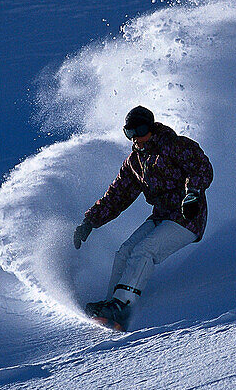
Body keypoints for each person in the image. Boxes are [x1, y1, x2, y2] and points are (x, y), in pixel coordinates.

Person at [73, 105, 213, 331]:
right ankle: (112, 304)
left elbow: (201, 168)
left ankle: (123, 307)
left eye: (140, 129)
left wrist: (193, 194)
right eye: (130, 132)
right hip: (161, 215)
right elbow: (117, 195)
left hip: (188, 217)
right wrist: (90, 221)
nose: (136, 137)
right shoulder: (134, 162)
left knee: (144, 250)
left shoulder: (176, 146)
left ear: (151, 127)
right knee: (125, 252)